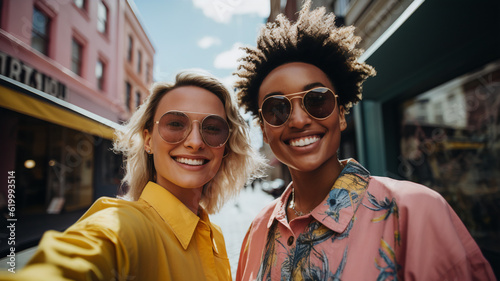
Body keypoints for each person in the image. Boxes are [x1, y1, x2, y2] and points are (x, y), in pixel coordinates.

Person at [233, 1, 496, 280]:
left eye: (317, 100)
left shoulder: (416, 213)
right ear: (264, 129)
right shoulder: (258, 230)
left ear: (342, 114)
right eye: (278, 108)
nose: (298, 120)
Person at [1, 71, 265, 280]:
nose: (195, 142)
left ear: (226, 147)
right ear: (148, 140)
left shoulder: (214, 235)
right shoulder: (123, 226)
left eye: (212, 128)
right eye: (175, 123)